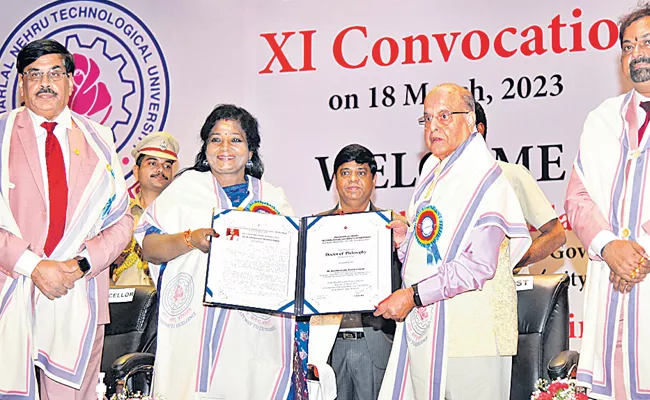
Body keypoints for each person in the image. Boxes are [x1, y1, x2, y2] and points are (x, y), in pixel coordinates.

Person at [375, 83, 531, 400]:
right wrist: (406, 242)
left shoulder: (486, 178)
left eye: (444, 116)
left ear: (471, 120)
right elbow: (433, 254)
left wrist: (413, 296)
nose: (433, 127)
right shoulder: (433, 173)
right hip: (431, 328)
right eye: (427, 119)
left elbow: (477, 266)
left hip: (473, 334)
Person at [0, 39, 133, 399]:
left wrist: (79, 265)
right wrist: (33, 266)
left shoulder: (99, 138)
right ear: (22, 85)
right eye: (34, 74)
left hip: (79, 292)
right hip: (9, 291)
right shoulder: (2, 134)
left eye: (55, 73)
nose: (45, 82)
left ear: (72, 82)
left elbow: (120, 222)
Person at [136, 104, 294, 399]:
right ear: (205, 147)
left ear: (251, 151)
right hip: (193, 332)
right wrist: (190, 239)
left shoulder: (273, 198)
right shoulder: (184, 190)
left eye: (236, 139)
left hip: (253, 335)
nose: (225, 147)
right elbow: (149, 248)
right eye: (215, 138)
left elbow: (293, 264)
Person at [565, 4, 650, 399]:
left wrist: (637, 253)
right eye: (629, 46)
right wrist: (608, 247)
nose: (637, 53)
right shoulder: (601, 119)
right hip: (610, 291)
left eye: (647, 42)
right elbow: (578, 199)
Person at [308, 144, 403, 400]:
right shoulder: (316, 228)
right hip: (329, 344)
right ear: (335, 180)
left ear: (374, 179)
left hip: (376, 342)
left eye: (360, 173)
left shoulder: (394, 227)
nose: (352, 179)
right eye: (345, 172)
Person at [475, 101, 566, 272]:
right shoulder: (437, 182)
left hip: (504, 294)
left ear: (479, 129)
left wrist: (510, 263)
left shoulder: (511, 175)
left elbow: (556, 234)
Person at [111, 131, 180, 286]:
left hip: (166, 302)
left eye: (167, 165)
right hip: (122, 302)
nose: (161, 170)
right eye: (153, 163)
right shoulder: (118, 214)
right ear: (136, 171)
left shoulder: (181, 217)